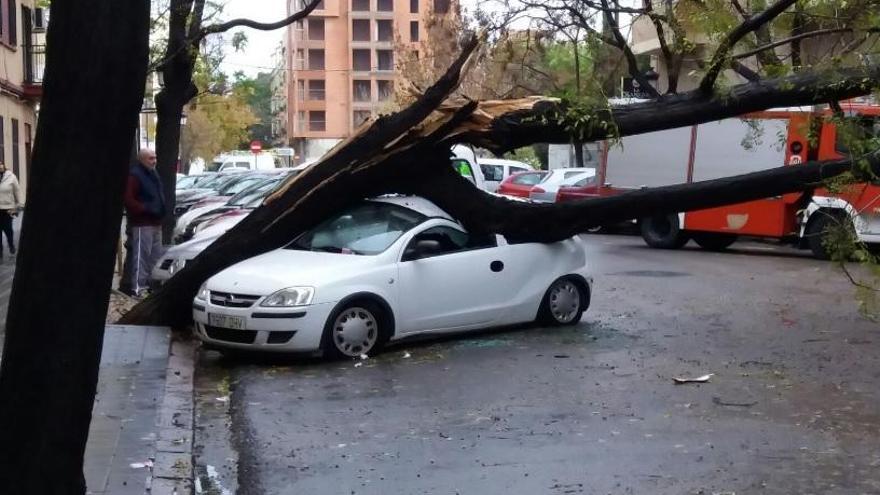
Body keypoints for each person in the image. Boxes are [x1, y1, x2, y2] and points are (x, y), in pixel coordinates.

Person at [119, 149, 166, 297]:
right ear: (142, 159)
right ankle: (138, 288)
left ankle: (152, 286)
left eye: (155, 158)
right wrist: (144, 209)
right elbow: (128, 199)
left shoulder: (153, 174)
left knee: (155, 256)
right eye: (151, 158)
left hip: (156, 222)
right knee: (141, 257)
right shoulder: (135, 176)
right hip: (142, 223)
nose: (154, 161)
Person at [0, 162, 23, 258]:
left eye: (1, 164)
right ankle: (0, 251)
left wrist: (19, 205)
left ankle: (11, 244)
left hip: (8, 209)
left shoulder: (11, 177)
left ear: (4, 166)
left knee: (8, 230)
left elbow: (17, 191)